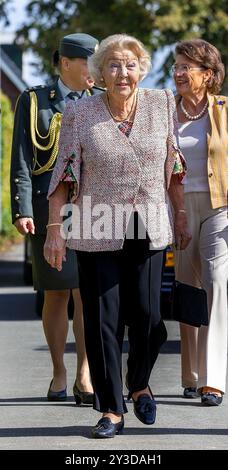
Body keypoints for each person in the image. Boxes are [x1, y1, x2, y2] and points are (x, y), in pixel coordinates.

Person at [44, 33, 190, 438]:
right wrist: (55, 229)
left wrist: (179, 215)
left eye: (129, 64)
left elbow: (174, 166)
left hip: (149, 222)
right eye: (113, 65)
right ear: (99, 72)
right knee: (102, 321)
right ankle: (111, 407)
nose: (122, 72)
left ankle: (139, 381)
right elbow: (64, 177)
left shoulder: (161, 104)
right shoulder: (81, 113)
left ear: (140, 68)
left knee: (149, 317)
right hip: (96, 224)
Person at [10, 33, 103, 404]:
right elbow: (20, 158)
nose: (96, 72)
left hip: (94, 209)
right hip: (50, 209)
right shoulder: (34, 102)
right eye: (89, 64)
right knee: (57, 291)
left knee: (87, 292)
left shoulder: (101, 102)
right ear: (66, 63)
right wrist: (22, 210)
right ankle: (58, 371)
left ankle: (84, 373)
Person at [172, 39, 228, 405]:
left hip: (219, 205)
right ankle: (190, 375)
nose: (178, 73)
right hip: (176, 205)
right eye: (175, 66)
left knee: (217, 282)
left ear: (207, 75)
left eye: (186, 67)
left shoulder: (224, 110)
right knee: (187, 288)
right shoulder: (165, 111)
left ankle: (214, 378)